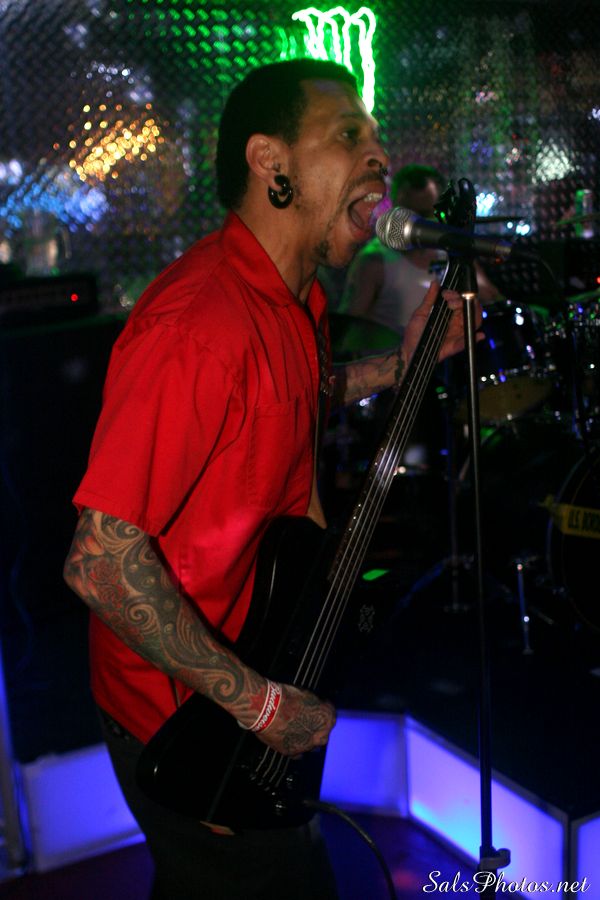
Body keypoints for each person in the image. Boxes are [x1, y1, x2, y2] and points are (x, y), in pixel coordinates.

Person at [63, 59, 474, 900]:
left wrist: (398, 365)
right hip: (186, 714)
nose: (379, 155)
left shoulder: (293, 298)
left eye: (375, 138)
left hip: (251, 662)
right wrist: (257, 706)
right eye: (349, 135)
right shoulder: (198, 323)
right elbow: (99, 561)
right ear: (270, 162)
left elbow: (293, 391)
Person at [339, 162, 501, 333]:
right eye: (408, 212)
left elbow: (492, 297)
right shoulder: (374, 260)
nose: (415, 223)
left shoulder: (451, 249)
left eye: (425, 214)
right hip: (396, 350)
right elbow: (349, 328)